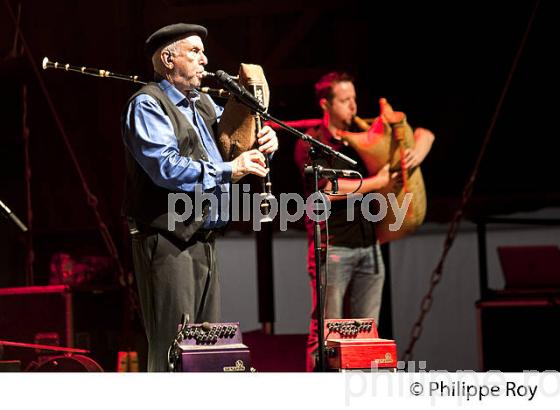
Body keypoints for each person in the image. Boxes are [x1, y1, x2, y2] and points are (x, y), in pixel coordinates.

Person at [121, 23, 278, 371]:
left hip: (203, 235)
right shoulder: (148, 104)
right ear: (168, 58)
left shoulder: (204, 103)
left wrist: (264, 140)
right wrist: (229, 170)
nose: (205, 59)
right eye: (194, 51)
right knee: (173, 349)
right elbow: (165, 167)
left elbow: (234, 142)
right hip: (166, 239)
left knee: (206, 350)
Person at [293, 72, 434, 371]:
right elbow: (325, 191)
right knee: (325, 335)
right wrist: (376, 182)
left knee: (367, 335)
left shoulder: (363, 139)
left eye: (354, 99)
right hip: (332, 248)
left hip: (369, 247)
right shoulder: (313, 144)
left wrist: (414, 155)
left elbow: (425, 134)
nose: (353, 107)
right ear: (325, 104)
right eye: (345, 101)